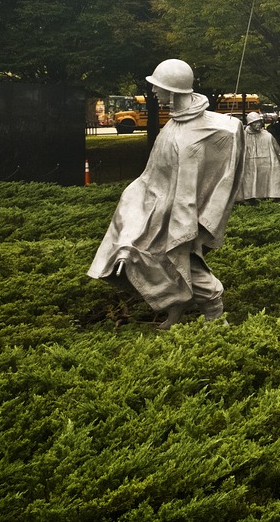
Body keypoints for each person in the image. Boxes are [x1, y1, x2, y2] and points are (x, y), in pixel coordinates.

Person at [87, 58, 244, 329]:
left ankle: (214, 311)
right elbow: (154, 173)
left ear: (173, 90)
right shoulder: (173, 124)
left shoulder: (214, 128)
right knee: (153, 258)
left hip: (182, 211)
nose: (154, 93)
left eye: (159, 87)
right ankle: (176, 308)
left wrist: (198, 215)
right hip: (156, 205)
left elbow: (224, 175)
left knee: (180, 258)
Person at [238, 111, 280, 201]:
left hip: (267, 164)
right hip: (250, 165)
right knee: (251, 185)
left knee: (268, 184)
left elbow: (279, 152)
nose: (258, 124)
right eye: (255, 123)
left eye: (259, 122)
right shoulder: (243, 137)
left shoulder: (268, 136)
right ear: (250, 124)